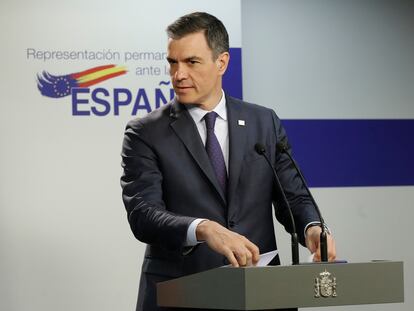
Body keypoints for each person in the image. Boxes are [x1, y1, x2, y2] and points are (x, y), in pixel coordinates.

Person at [121, 12, 336, 311]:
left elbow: (293, 196)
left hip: (260, 292)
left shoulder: (264, 122)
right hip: (181, 293)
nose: (178, 74)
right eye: (173, 62)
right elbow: (143, 214)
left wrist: (312, 228)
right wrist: (204, 228)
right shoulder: (145, 132)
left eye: (191, 62)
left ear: (221, 62)